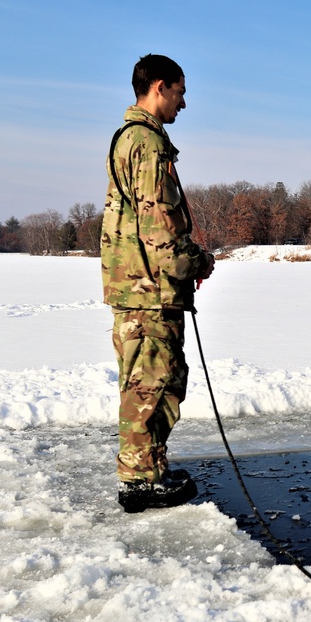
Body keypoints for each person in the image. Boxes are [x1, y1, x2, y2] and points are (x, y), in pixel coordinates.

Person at [102, 54, 215, 512]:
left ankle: (146, 469)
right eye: (181, 92)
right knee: (153, 382)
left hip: (140, 286)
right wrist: (197, 263)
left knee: (149, 380)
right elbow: (160, 230)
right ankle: (140, 479)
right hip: (148, 290)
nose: (183, 103)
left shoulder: (130, 139)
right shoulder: (147, 145)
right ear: (160, 86)